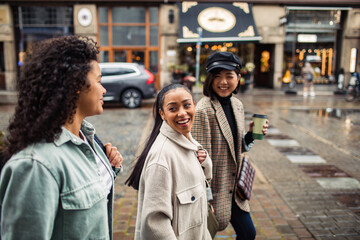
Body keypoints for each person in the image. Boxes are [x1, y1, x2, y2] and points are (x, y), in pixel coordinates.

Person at [0, 35, 123, 239]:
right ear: (76, 84)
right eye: (99, 81)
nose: (104, 89)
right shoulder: (35, 165)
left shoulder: (87, 138)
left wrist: (109, 168)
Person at [192, 52, 269, 240]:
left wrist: (250, 135)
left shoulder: (237, 105)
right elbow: (199, 162)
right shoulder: (203, 110)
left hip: (234, 190)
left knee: (248, 233)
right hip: (215, 191)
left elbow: (233, 148)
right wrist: (205, 199)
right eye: (217, 76)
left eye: (229, 76)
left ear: (239, 77)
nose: (223, 82)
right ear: (209, 79)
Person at [125, 84, 212, 239]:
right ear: (162, 114)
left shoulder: (189, 141)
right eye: (173, 109)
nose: (182, 113)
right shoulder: (161, 158)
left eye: (187, 105)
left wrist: (205, 163)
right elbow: (155, 224)